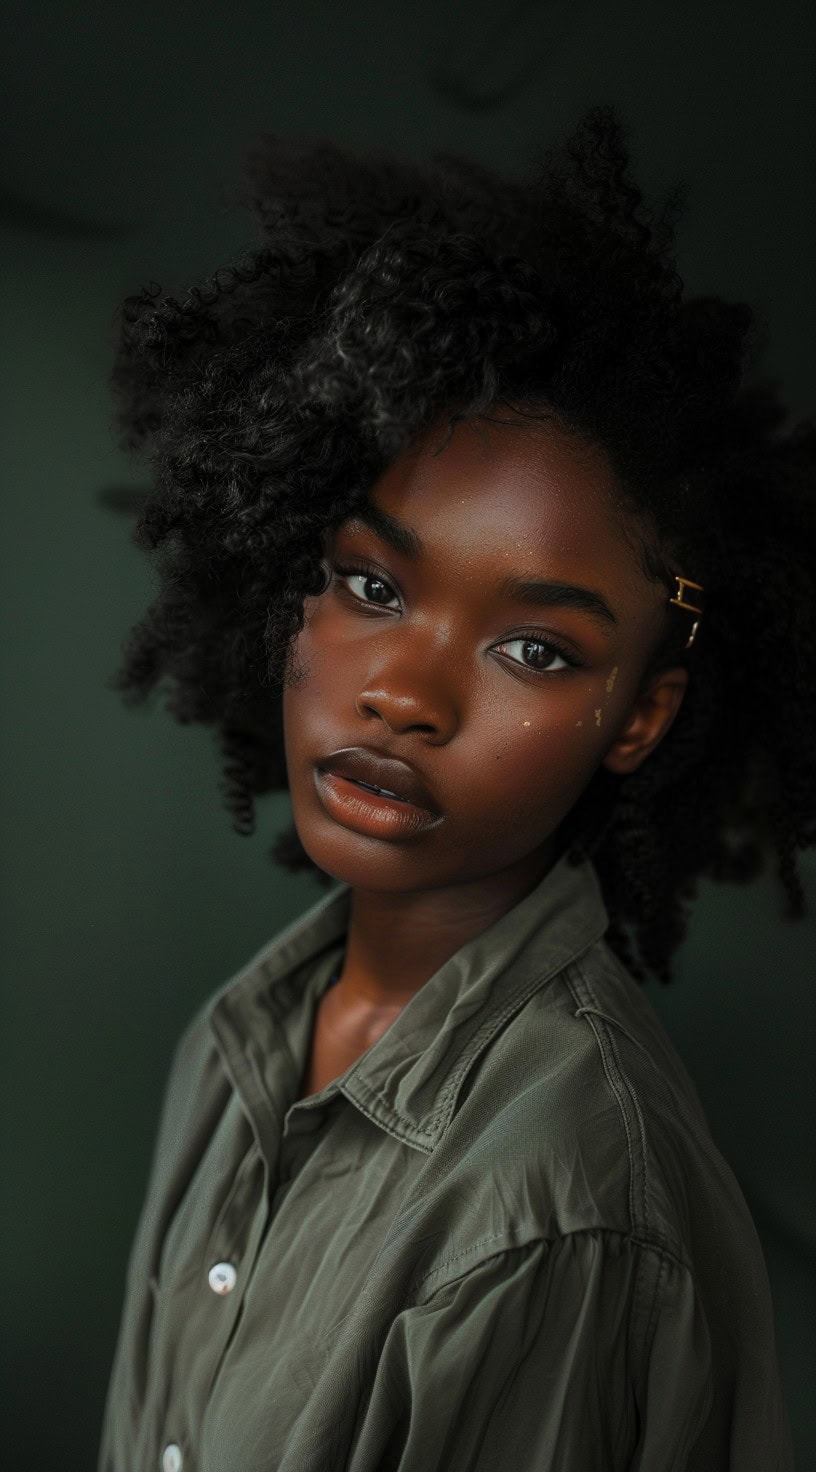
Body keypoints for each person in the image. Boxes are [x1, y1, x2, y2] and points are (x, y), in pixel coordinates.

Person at [98, 106, 813, 1471]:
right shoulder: (242, 1043)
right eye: (371, 585)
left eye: (534, 648)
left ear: (640, 716)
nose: (406, 694)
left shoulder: (558, 1210)